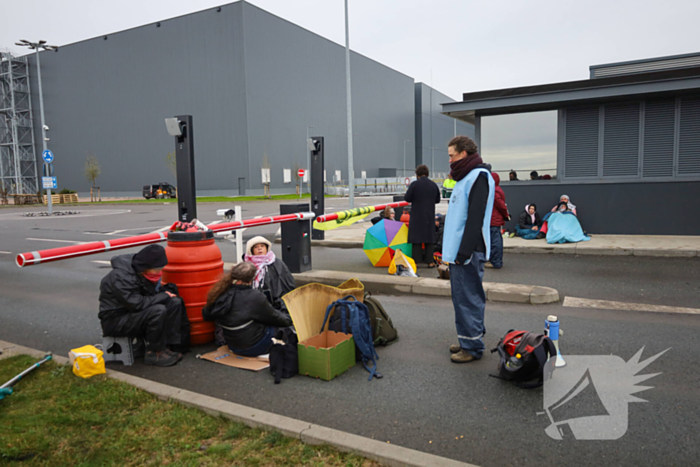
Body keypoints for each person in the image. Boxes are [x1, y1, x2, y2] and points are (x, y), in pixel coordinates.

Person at [442, 136, 494, 364]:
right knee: (462, 297)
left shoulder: (479, 177)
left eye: (452, 155)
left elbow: (475, 219)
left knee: (468, 298)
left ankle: (472, 346)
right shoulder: (465, 177)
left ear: (464, 153)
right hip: (459, 251)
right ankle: (468, 338)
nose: (450, 160)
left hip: (468, 251)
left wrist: (464, 252)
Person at [98, 244, 190, 367]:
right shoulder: (121, 277)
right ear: (145, 268)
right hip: (115, 320)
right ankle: (154, 353)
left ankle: (169, 346)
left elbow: (147, 297)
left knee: (174, 302)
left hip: (131, 314)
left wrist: (165, 295)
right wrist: (163, 296)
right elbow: (136, 304)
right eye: (157, 270)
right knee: (158, 310)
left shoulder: (142, 272)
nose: (159, 273)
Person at [202, 262, 293, 357]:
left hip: (232, 345)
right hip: (254, 347)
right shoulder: (255, 296)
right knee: (280, 327)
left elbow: (206, 314)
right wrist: (289, 318)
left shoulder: (221, 291)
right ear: (251, 279)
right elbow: (276, 318)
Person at [243, 236, 295, 312]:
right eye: (256, 247)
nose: (259, 248)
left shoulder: (277, 263)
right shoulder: (247, 266)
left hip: (276, 304)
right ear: (251, 250)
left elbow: (288, 283)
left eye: (262, 246)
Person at [404, 164, 441, 268]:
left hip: (416, 215)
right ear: (427, 174)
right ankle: (430, 262)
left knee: (416, 238)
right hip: (429, 215)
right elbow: (437, 200)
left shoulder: (414, 184)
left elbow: (407, 198)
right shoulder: (433, 185)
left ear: (417, 174)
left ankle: (416, 261)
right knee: (429, 238)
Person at [486, 173, 510, 269]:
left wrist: (506, 214)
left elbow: (501, 205)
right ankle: (495, 260)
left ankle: (495, 262)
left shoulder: (494, 191)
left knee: (495, 241)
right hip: (495, 219)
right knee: (495, 240)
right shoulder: (497, 189)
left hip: (493, 219)